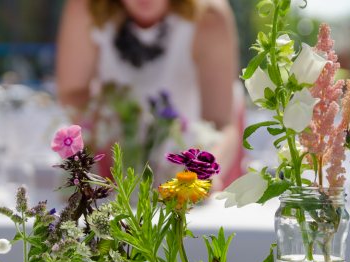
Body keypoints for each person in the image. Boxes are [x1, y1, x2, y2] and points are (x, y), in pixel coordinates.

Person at [56, 0, 242, 182]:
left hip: (183, 171)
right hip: (116, 168)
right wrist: (107, 140)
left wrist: (201, 174)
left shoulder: (209, 15)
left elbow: (220, 125)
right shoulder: (87, 8)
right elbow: (73, 94)